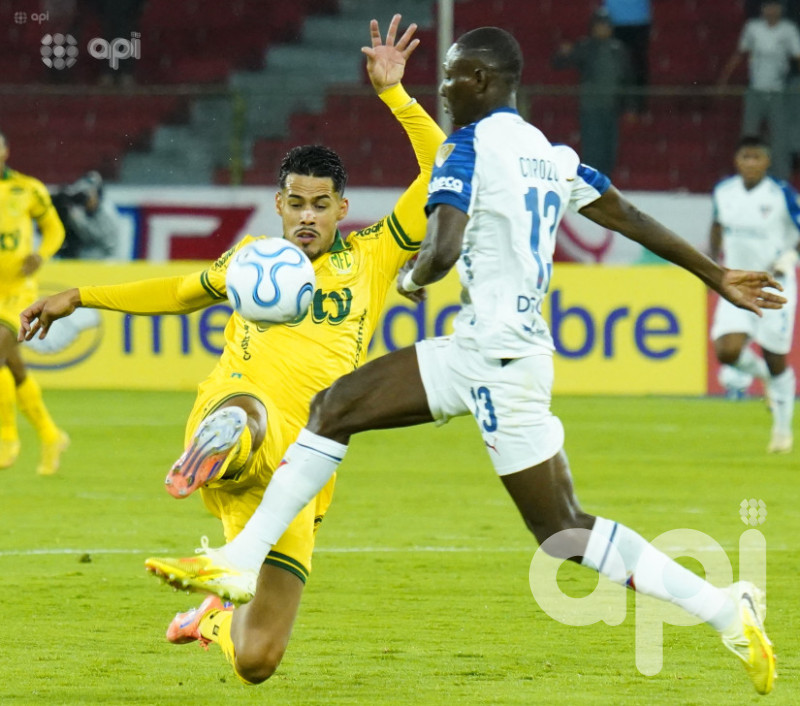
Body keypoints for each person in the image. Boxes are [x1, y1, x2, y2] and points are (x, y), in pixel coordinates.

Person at [91, 26, 790, 695]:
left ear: (482, 80)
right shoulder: (554, 154)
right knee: (554, 524)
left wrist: (414, 277)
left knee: (345, 416)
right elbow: (625, 216)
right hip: (514, 357)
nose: (446, 90)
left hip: (482, 352)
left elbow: (445, 245)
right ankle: (725, 608)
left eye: (452, 77)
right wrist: (714, 273)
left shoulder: (466, 148)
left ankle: (239, 560)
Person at [19, 15, 445, 685]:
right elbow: (181, 290)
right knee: (246, 414)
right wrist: (81, 296)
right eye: (296, 203)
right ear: (278, 204)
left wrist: (395, 95)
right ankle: (219, 443)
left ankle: (210, 619)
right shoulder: (249, 261)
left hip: (306, 466)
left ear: (342, 209)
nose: (307, 216)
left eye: (321, 205)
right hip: (245, 412)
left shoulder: (373, 254)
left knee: (257, 662)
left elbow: (442, 167)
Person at [710, 134, 798, 453]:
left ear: (767, 161)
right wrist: (710, 261)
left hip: (774, 284)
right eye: (745, 157)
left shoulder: (781, 195)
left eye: (756, 157)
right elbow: (718, 226)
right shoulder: (724, 192)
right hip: (737, 281)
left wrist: (791, 255)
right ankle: (766, 381)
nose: (750, 163)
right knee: (727, 352)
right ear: (737, 161)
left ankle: (782, 431)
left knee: (776, 359)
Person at [0, 130, 69, 475]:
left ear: (5, 152)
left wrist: (41, 255)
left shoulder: (28, 189)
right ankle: (50, 434)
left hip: (17, 292)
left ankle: (7, 436)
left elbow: (55, 229)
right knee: (13, 368)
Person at [719, 0, 800, 180]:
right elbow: (741, 54)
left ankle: (781, 180)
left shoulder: (788, 30)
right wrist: (724, 80)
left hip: (778, 92)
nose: (771, 10)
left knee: (780, 139)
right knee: (749, 136)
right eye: (768, 7)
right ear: (762, 9)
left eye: (775, 7)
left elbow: (797, 56)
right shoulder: (753, 27)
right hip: (755, 91)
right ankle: (746, 177)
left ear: (781, 9)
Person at [551, 8, 634, 175]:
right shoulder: (585, 47)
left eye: (606, 25)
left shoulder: (618, 50)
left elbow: (628, 80)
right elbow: (559, 63)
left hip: (612, 108)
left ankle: (604, 188)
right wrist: (562, 53)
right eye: (599, 25)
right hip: (591, 108)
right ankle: (591, 189)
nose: (603, 28)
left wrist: (631, 107)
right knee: (592, 151)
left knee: (609, 152)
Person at [53, 171, 122, 259]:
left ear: (98, 194)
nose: (85, 199)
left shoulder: (106, 212)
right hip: (88, 255)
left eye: (88, 194)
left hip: (103, 258)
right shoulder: (84, 211)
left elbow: (95, 238)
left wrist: (75, 218)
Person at [604, 0, 650, 114]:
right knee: (616, 65)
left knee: (637, 64)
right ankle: (619, 103)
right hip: (614, 20)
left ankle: (637, 104)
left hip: (639, 20)